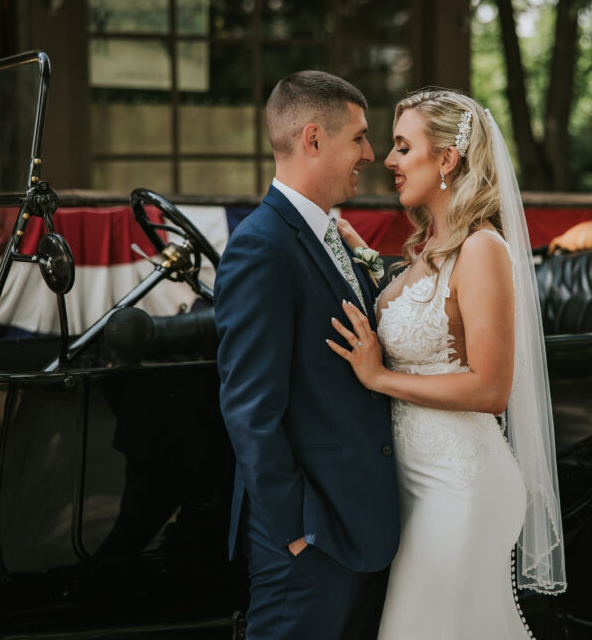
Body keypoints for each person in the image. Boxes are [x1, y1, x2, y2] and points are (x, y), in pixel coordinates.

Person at [328, 89, 567, 638]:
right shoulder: (431, 245)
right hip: (418, 489)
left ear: (446, 159)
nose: (387, 160)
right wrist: (364, 258)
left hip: (461, 487)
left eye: (402, 146)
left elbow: (490, 388)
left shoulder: (483, 249)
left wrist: (378, 376)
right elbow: (418, 304)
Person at [213, 70, 399, 640]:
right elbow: (249, 408)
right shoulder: (260, 246)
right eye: (360, 138)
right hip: (309, 537)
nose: (371, 153)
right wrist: (296, 528)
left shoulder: (329, 234)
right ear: (314, 138)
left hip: (363, 524)